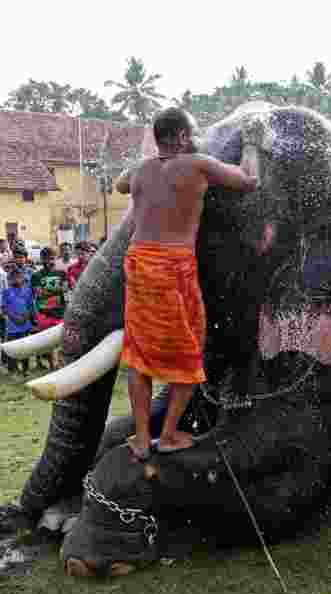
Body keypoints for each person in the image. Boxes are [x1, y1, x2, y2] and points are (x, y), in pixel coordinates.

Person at [121, 107, 260, 460]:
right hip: (172, 267)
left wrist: (148, 161)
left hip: (138, 264)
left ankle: (140, 439)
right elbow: (248, 180)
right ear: (182, 136)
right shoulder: (198, 163)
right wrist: (252, 145)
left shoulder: (141, 170)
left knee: (139, 355)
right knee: (190, 353)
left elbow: (122, 184)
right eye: (193, 133)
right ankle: (166, 435)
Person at [30, 247, 69, 371]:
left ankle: (60, 366)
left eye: (52, 258)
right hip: (44, 313)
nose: (49, 261)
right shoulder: (36, 275)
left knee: (61, 342)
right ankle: (53, 367)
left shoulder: (62, 273)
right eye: (46, 259)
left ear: (56, 258)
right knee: (49, 343)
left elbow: (66, 290)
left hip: (60, 313)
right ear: (41, 259)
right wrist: (56, 291)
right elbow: (39, 293)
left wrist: (48, 291)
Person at [2, 268, 36, 375]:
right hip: (12, 325)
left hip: (25, 324)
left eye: (19, 277)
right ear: (10, 279)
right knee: (12, 348)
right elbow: (4, 308)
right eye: (14, 277)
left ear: (23, 278)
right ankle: (12, 369)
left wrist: (25, 318)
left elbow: (31, 307)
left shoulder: (28, 291)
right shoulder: (7, 292)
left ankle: (25, 369)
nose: (16, 279)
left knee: (24, 347)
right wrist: (14, 318)